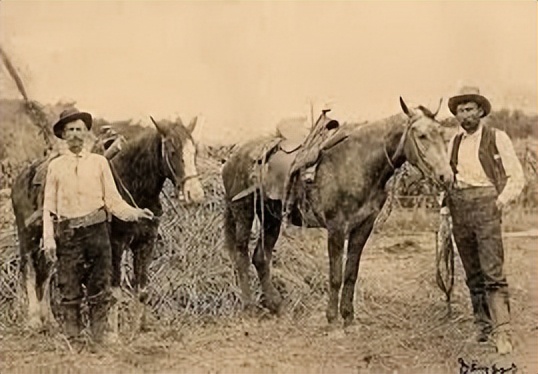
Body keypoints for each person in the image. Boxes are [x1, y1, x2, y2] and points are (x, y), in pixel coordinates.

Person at [42, 108, 154, 345]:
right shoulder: (56, 167)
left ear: (85, 134)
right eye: (70, 129)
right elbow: (48, 207)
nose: (75, 134)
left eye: (79, 129)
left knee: (100, 285)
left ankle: (99, 338)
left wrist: (135, 213)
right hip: (68, 233)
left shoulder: (99, 163)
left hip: (97, 232)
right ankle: (73, 339)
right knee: (69, 288)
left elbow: (113, 201)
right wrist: (49, 239)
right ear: (63, 134)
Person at [446, 86, 525, 355]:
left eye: (469, 109)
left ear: (480, 111)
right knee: (473, 274)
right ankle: (483, 328)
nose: (464, 115)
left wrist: (500, 201)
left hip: (487, 206)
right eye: (460, 110)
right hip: (460, 209)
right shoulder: (453, 142)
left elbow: (517, 177)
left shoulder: (496, 137)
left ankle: (502, 332)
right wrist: (445, 206)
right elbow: (449, 178)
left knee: (493, 273)